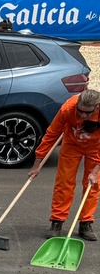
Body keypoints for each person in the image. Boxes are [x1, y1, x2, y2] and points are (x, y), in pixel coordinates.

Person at [29, 88, 100, 241]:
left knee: (92, 184)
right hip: (72, 144)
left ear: (97, 107)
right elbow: (51, 134)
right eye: (80, 111)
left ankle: (86, 222)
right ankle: (57, 221)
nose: (83, 115)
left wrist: (95, 170)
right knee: (64, 183)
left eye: (88, 113)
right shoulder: (68, 108)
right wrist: (37, 162)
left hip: (96, 148)